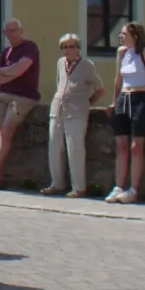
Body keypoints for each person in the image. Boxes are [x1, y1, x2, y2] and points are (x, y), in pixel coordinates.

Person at [104, 22, 145, 204]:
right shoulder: (122, 52)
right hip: (124, 97)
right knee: (121, 144)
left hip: (142, 98)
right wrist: (114, 101)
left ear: (135, 36)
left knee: (136, 146)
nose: (120, 36)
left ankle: (133, 189)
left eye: (124, 34)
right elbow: (118, 80)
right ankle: (118, 187)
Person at [43, 34, 103, 198]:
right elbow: (60, 83)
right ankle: (57, 183)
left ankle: (79, 187)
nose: (67, 50)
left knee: (75, 147)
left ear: (78, 48)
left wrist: (87, 102)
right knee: (54, 145)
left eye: (71, 46)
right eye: (64, 47)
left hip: (77, 111)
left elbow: (100, 89)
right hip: (58, 108)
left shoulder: (87, 65)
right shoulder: (60, 63)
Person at [0, 20, 40, 189]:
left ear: (21, 30)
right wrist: (8, 74)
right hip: (2, 95)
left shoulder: (29, 47)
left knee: (6, 133)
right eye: (8, 31)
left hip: (22, 97)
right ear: (4, 34)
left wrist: (2, 72)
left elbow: (20, 69)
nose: (12, 34)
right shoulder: (6, 52)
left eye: (14, 30)